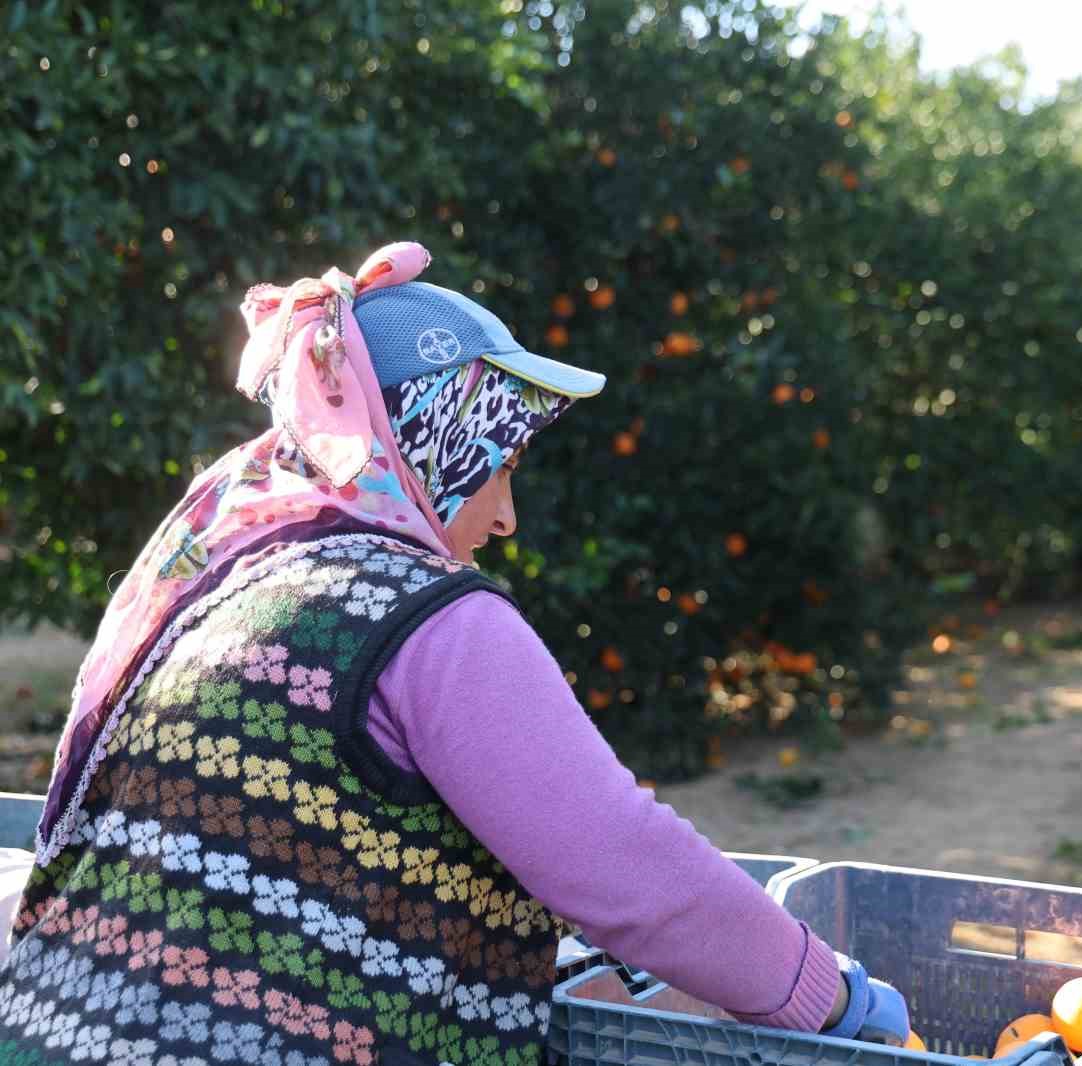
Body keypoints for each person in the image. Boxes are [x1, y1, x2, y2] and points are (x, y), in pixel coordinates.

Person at [0, 243, 908, 1064]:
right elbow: (623, 862)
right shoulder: (430, 620)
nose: (507, 516)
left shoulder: (227, 586)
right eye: (500, 464)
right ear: (435, 441)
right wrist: (827, 998)